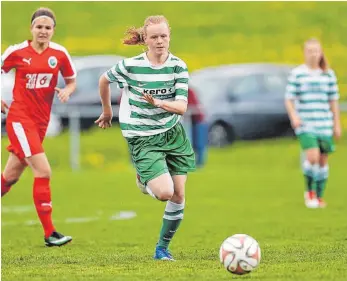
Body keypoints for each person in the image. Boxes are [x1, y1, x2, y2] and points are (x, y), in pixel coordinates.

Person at [95, 15, 196, 260]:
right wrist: (108, 111)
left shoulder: (178, 66)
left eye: (164, 36)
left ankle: (162, 249)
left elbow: (182, 107)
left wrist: (160, 102)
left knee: (179, 194)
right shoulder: (131, 66)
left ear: (169, 37)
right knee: (164, 193)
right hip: (143, 136)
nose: (160, 41)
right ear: (146, 40)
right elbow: (104, 80)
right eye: (154, 37)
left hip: (172, 133)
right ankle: (144, 180)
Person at [1, 7, 77, 246]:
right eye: (39, 27)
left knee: (10, 177)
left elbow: (72, 80)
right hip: (20, 120)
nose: (43, 31)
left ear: (53, 30)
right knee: (43, 171)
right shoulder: (17, 52)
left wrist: (66, 90)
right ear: (31, 28)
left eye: (48, 27)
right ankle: (50, 233)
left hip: (41, 122)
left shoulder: (60, 53)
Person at [285, 38, 341, 209]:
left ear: (321, 52)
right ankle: (309, 192)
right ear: (304, 53)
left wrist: (336, 124)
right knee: (312, 157)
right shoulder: (298, 74)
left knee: (323, 161)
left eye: (316, 51)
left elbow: (333, 101)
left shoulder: (328, 75)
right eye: (309, 51)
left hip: (324, 123)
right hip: (306, 124)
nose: (313, 54)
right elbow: (289, 99)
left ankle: (319, 195)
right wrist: (294, 116)